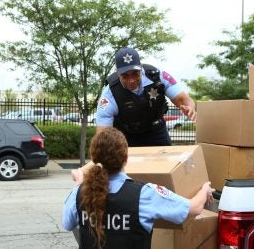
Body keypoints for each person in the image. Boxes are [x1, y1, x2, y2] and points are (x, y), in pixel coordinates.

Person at [62, 127, 214, 249]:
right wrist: (204, 190)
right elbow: (193, 208)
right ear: (126, 159)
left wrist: (78, 184)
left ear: (94, 158)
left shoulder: (80, 192)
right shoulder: (144, 194)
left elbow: (67, 224)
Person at [96, 46, 196, 147]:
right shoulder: (110, 94)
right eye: (125, 76)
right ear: (118, 73)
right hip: (126, 136)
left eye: (135, 74)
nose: (131, 80)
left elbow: (183, 100)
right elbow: (103, 135)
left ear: (141, 68)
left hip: (156, 131)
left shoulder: (158, 77)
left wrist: (189, 107)